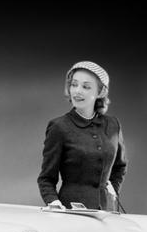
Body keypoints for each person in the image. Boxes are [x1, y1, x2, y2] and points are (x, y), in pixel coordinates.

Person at [38, 60, 127, 211]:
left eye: (86, 87)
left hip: (107, 212)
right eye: (74, 84)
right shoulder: (59, 127)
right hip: (71, 212)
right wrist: (53, 202)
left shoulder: (113, 125)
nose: (77, 91)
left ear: (100, 92)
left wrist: (112, 193)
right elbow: (46, 178)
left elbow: (120, 166)